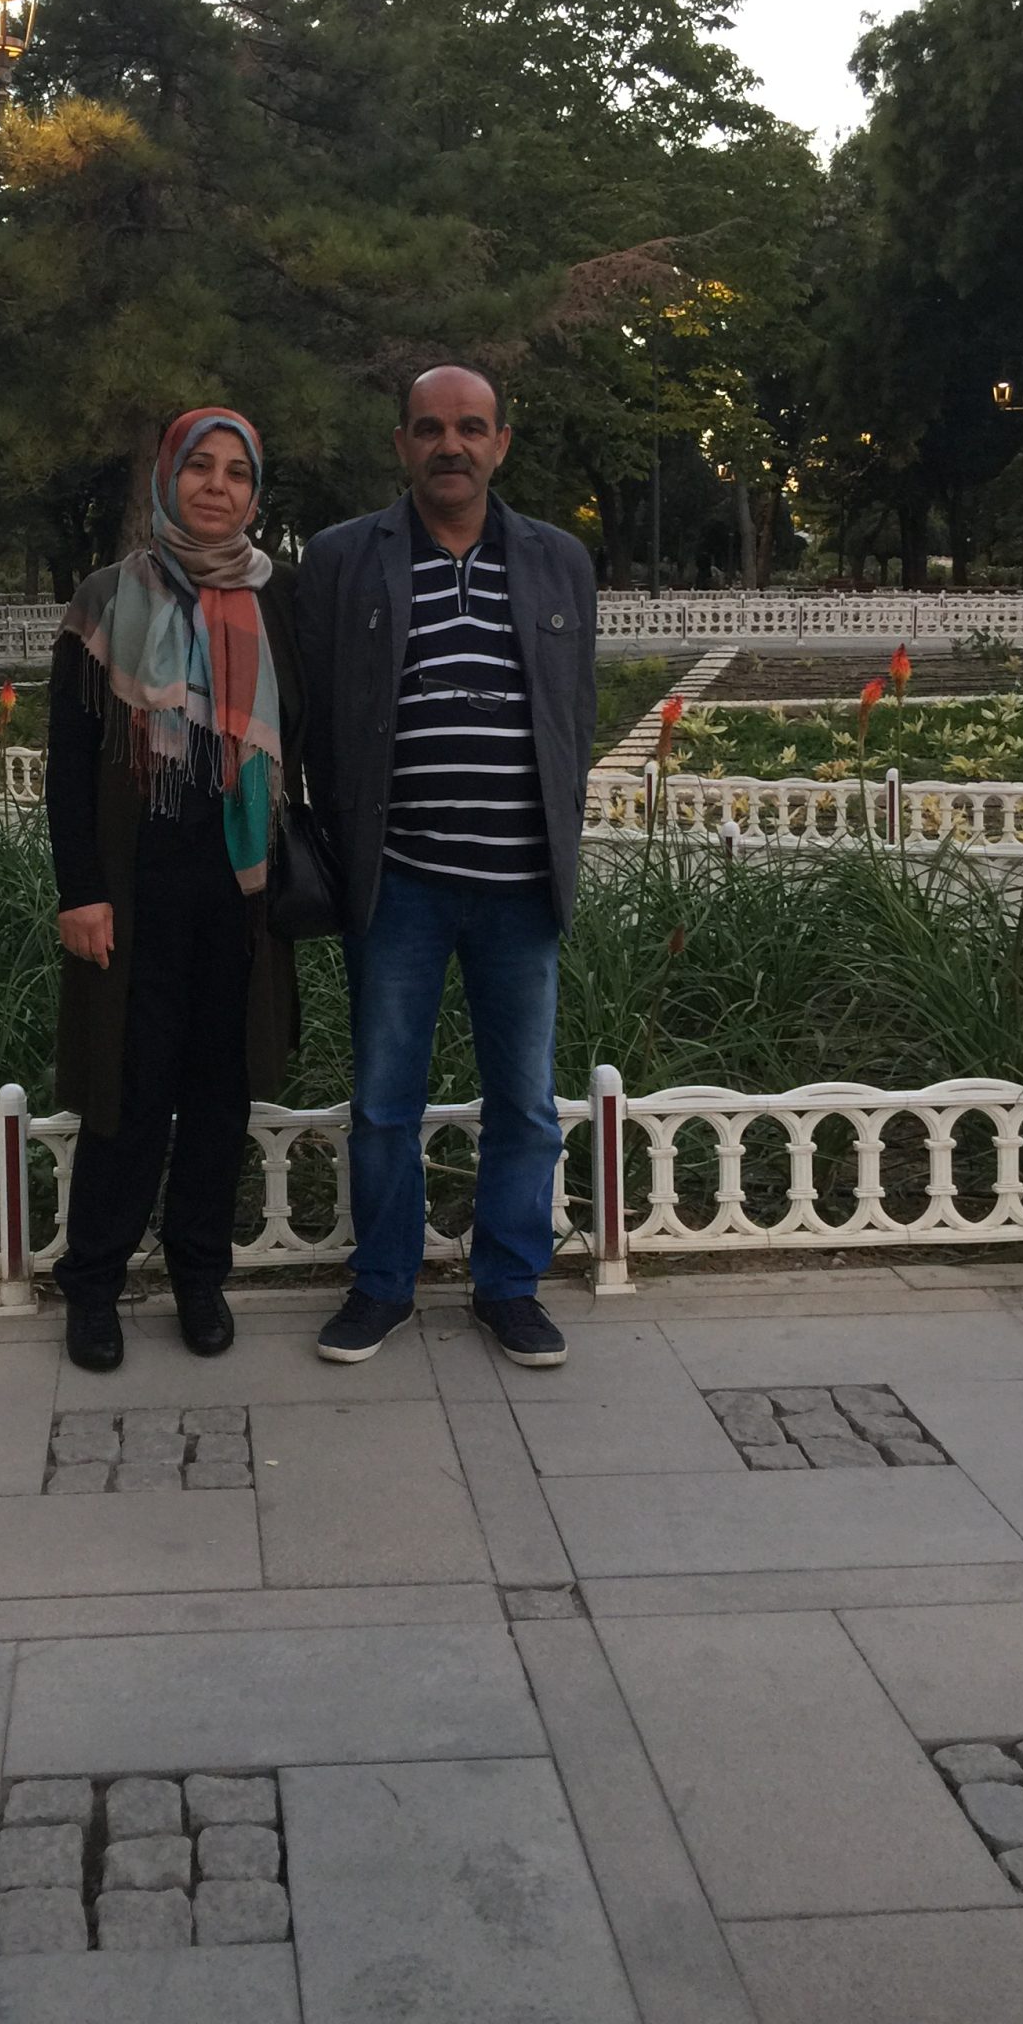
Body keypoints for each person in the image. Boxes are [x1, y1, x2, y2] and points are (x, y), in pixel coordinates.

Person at [295, 362, 597, 1367]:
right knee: (385, 1099)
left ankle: (508, 1286)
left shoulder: (558, 560)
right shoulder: (344, 558)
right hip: (400, 884)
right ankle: (382, 1283)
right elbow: (318, 715)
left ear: (501, 442)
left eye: (470, 427)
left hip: (521, 886)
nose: (450, 445)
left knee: (526, 1103)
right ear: (402, 445)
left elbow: (572, 715)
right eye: (429, 428)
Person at [46, 408, 304, 1373]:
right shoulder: (107, 597)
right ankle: (93, 1284)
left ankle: (201, 1277)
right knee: (127, 1090)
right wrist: (81, 890)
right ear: (167, 476)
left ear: (254, 493)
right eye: (200, 466)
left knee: (220, 1095)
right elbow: (70, 761)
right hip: (135, 887)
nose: (217, 487)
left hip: (242, 894)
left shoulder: (280, 599)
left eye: (238, 472)